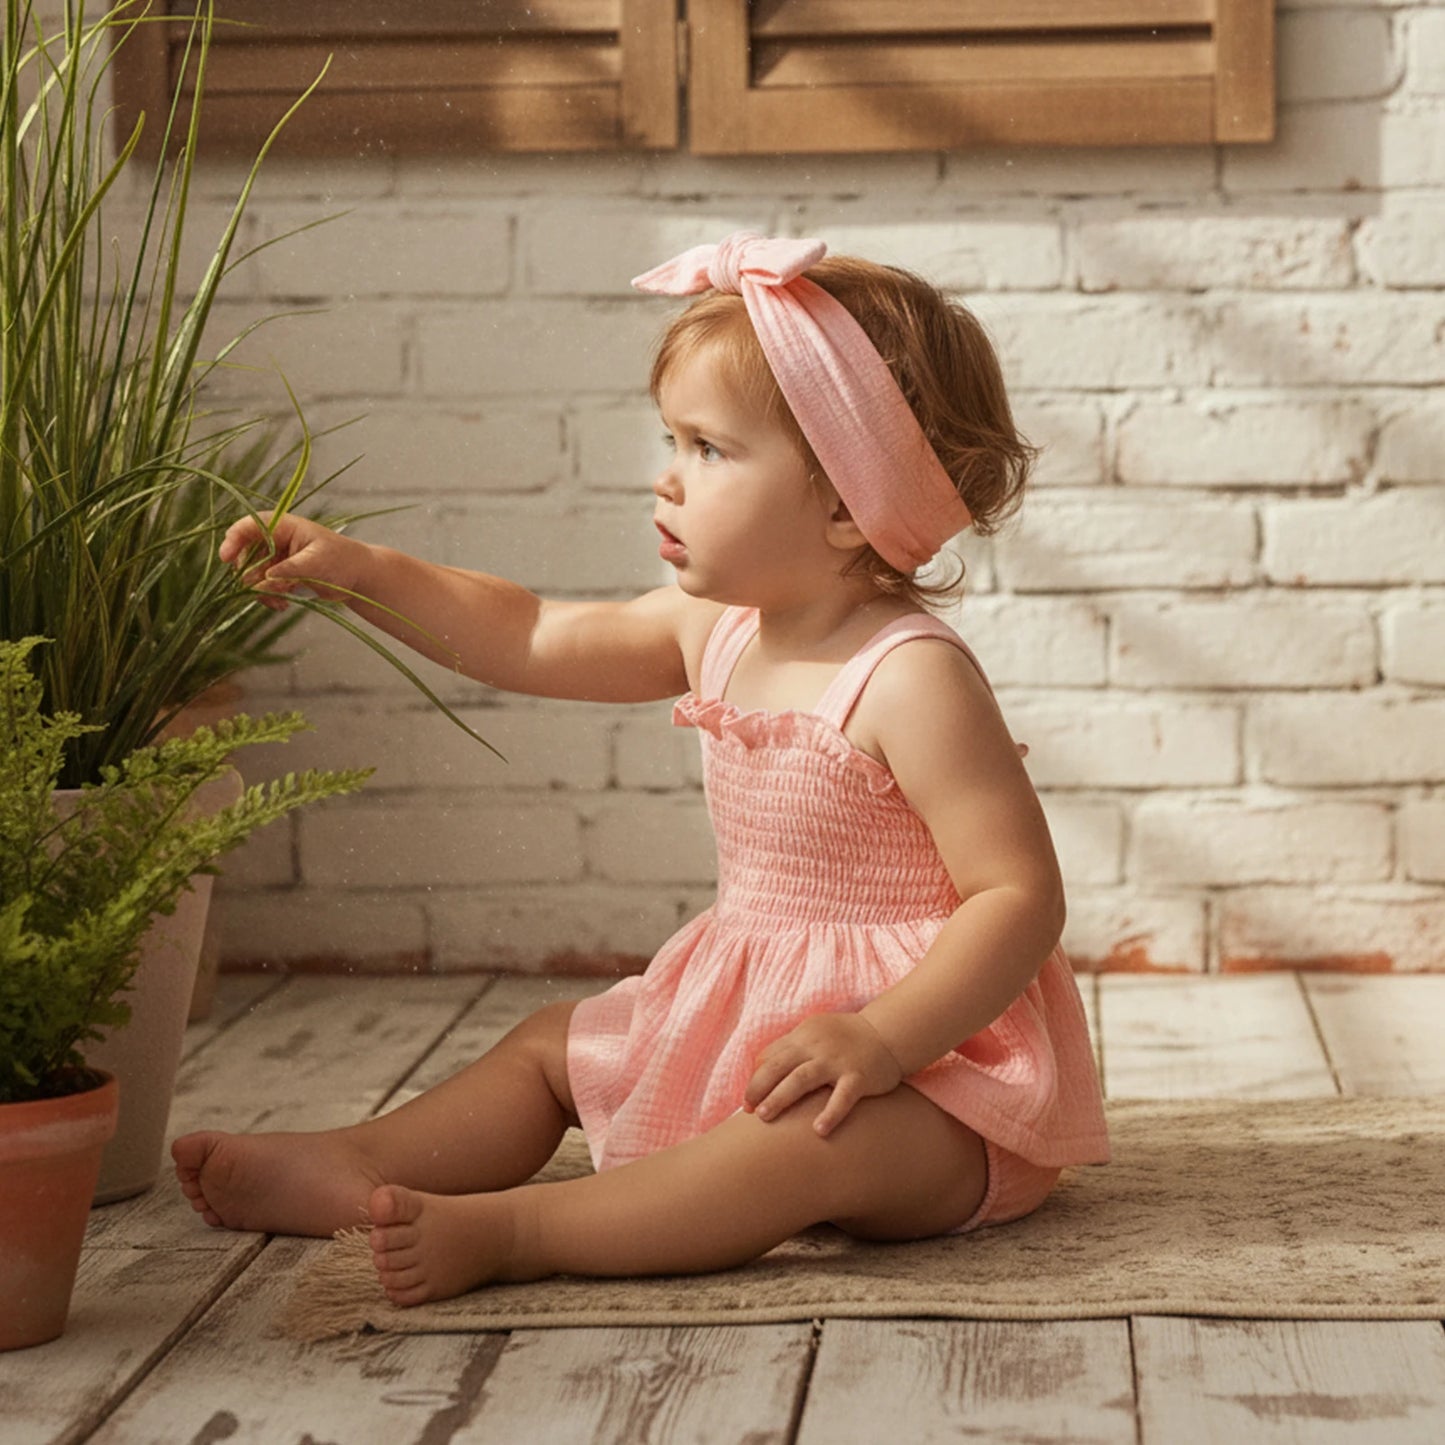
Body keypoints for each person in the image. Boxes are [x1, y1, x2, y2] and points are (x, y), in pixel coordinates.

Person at [172, 231, 1110, 1308]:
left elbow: (1016, 894)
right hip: (756, 1019)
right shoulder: (715, 624)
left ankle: (524, 1227)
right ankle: (367, 1156)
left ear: (848, 504)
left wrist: (884, 1037)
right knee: (548, 1048)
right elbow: (524, 631)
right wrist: (361, 570)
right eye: (671, 439)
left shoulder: (907, 677)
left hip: (936, 1082)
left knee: (810, 1141)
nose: (664, 478)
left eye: (708, 449)